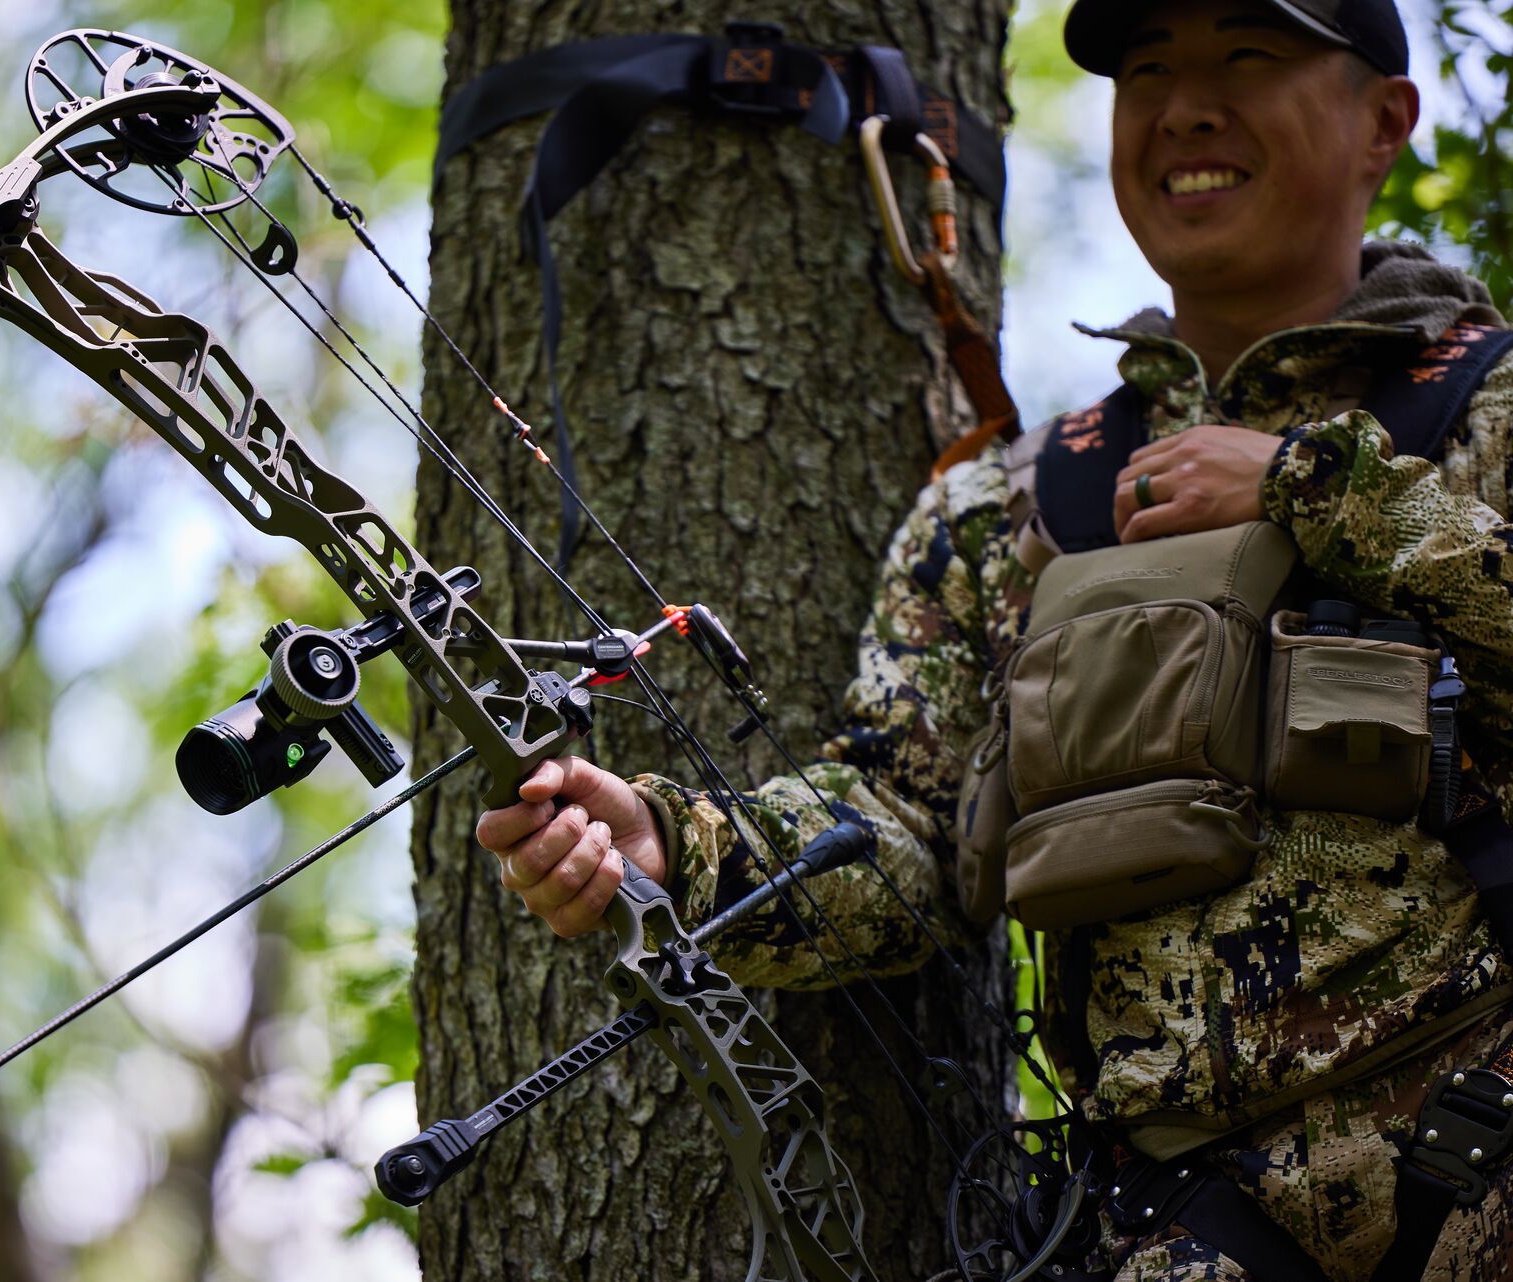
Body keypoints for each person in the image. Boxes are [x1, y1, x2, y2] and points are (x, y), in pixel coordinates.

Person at [476, 1, 1513, 1277]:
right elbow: (908, 827)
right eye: (1149, 70)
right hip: (1179, 1235)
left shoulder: (1488, 412)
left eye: (1247, 57)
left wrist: (1325, 491)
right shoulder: (1027, 500)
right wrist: (671, 850)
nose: (1187, 105)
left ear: (1385, 122)